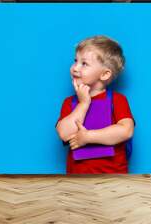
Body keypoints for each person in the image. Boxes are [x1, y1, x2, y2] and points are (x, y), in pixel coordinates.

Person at [56, 35, 135, 174]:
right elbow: (64, 133)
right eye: (75, 61)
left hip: (113, 177)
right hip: (78, 178)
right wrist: (83, 104)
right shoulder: (69, 102)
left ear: (104, 74)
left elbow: (126, 131)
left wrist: (88, 137)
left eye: (84, 63)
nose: (75, 68)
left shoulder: (118, 100)